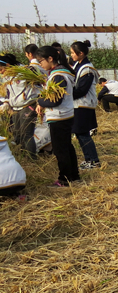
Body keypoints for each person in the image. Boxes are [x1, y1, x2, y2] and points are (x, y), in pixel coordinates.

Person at [35, 46, 80, 188]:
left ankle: (64, 179)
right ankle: (74, 176)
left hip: (59, 116)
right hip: (65, 115)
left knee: (60, 149)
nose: (40, 63)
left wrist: (40, 101)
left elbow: (55, 100)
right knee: (66, 146)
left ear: (50, 58)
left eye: (41, 60)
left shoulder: (59, 75)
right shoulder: (59, 73)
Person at [1, 53, 40, 157]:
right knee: (18, 134)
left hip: (28, 105)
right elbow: (8, 92)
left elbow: (38, 87)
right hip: (15, 107)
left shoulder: (25, 72)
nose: (1, 72)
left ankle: (32, 158)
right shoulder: (6, 77)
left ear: (7, 65)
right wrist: (6, 102)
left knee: (26, 134)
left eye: (1, 69)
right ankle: (23, 155)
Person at [70, 40, 101, 170]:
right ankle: (88, 159)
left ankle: (94, 160)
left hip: (84, 105)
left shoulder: (87, 69)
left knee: (83, 134)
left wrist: (65, 94)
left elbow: (82, 90)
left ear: (81, 53)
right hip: (79, 105)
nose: (71, 55)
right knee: (79, 133)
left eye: (72, 53)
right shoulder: (78, 65)